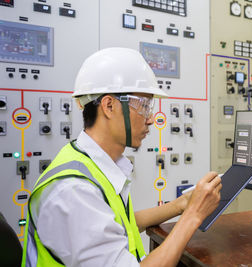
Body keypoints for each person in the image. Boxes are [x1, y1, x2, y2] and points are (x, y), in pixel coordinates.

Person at [21, 47, 222, 267]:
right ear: (109, 106)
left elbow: (118, 224)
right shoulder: (74, 191)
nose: (151, 119)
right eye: (144, 106)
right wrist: (192, 215)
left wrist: (180, 205)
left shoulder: (87, 161)